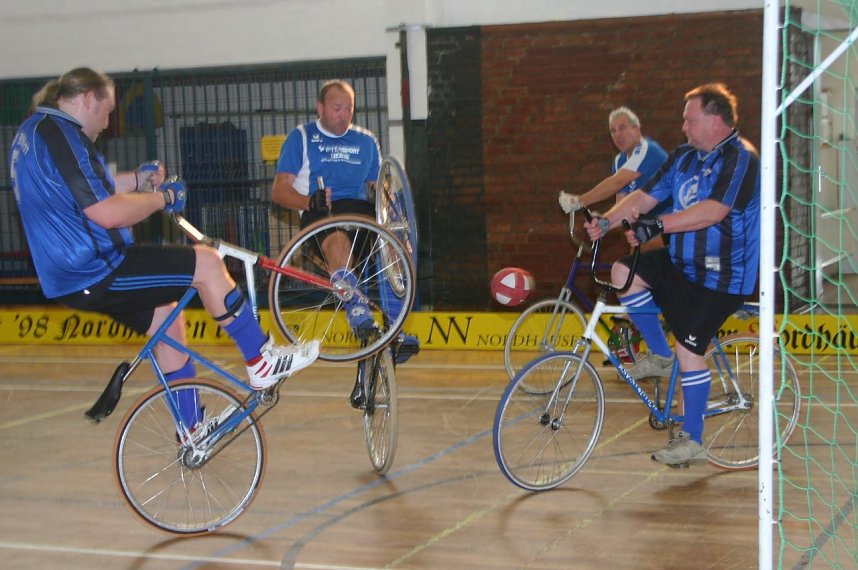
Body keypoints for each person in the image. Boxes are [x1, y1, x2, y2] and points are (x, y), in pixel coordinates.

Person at [10, 67, 320, 434]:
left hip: (72, 275)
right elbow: (106, 212)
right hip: (96, 268)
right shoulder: (64, 136)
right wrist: (161, 198)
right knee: (206, 263)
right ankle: (262, 359)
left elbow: (88, 186)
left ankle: (191, 429)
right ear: (88, 98)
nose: (107, 124)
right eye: (107, 111)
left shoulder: (36, 131)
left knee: (168, 318)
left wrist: (137, 180)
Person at [584, 83, 760, 467]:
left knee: (690, 349)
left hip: (723, 278)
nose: (683, 127)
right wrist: (607, 220)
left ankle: (693, 438)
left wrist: (658, 225)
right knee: (622, 272)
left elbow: (714, 211)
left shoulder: (740, 159)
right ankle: (660, 356)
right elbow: (644, 196)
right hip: (682, 266)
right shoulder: (683, 157)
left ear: (715, 120)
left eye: (690, 119)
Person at [270, 79, 418, 406]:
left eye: (349, 108)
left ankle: (391, 333)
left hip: (363, 214)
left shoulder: (366, 141)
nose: (344, 114)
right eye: (337, 108)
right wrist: (309, 202)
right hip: (323, 214)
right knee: (339, 242)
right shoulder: (302, 138)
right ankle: (356, 309)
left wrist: (388, 213)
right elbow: (279, 191)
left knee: (394, 251)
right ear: (320, 108)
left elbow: (378, 190)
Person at [559, 106, 669, 249]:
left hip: (668, 222)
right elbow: (621, 204)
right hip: (645, 226)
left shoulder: (647, 149)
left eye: (622, 128)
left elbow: (617, 182)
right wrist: (603, 221)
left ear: (637, 129)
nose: (617, 135)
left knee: (638, 261)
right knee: (630, 263)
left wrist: (579, 201)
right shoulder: (620, 161)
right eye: (613, 131)